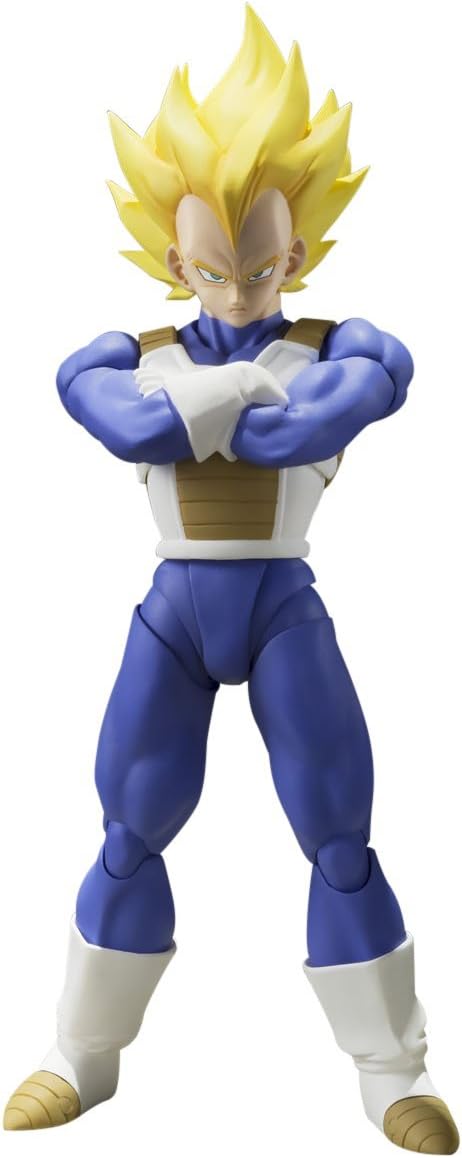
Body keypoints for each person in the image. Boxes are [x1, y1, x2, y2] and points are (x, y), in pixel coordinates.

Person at [4, 7, 459, 1152]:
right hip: (175, 613)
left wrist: (213, 408)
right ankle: (81, 1054)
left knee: (340, 835)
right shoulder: (124, 353)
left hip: (282, 607)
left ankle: (391, 1071)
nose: (242, 291)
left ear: (296, 254)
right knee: (128, 827)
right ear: (175, 261)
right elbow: (118, 421)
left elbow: (296, 430)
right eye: (214, 271)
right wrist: (230, 394)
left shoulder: (350, 343)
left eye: (261, 267)